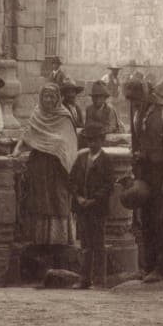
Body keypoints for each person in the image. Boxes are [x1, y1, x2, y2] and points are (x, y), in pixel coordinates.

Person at [11, 82, 79, 268]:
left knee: (58, 198)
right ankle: (41, 240)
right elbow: (27, 135)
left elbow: (68, 142)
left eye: (52, 97)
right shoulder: (36, 114)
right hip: (40, 165)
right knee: (40, 199)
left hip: (58, 167)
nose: (48, 100)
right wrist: (17, 150)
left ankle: (59, 240)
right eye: (45, 96)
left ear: (57, 98)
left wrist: (56, 147)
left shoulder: (64, 117)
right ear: (41, 98)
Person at [132, 71, 163, 283]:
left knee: (161, 219)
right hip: (145, 172)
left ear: (148, 95)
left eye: (137, 99)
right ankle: (149, 265)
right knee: (146, 219)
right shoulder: (138, 115)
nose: (134, 103)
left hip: (161, 172)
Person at [70, 122, 116, 289]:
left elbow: (108, 185)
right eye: (89, 141)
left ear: (102, 141)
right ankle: (84, 279)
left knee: (98, 243)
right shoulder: (81, 158)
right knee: (84, 244)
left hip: (97, 209)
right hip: (82, 207)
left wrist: (94, 199)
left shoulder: (106, 161)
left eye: (95, 141)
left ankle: (98, 280)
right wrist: (78, 197)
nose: (92, 144)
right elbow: (73, 180)